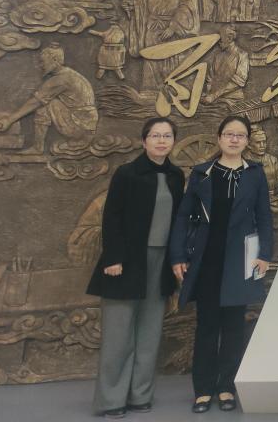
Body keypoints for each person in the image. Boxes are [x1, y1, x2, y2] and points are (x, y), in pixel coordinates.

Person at [169, 115, 273, 414]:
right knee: (206, 325)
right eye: (229, 134)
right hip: (206, 260)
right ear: (219, 138)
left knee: (233, 326)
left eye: (240, 135)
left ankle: (227, 387)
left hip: (240, 260)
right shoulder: (202, 173)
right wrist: (178, 256)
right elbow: (183, 216)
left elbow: (264, 216)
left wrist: (264, 254)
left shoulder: (255, 173)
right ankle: (203, 390)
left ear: (247, 141)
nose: (234, 139)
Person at [87, 117, 184, 418]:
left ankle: (140, 395)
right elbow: (112, 217)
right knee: (118, 334)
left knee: (150, 332)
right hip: (127, 261)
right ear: (144, 141)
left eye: (167, 136)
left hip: (161, 262)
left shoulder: (176, 176)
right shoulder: (126, 173)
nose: (161, 141)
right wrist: (113, 258)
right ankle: (112, 400)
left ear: (173, 141)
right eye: (155, 135)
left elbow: (179, 221)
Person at [0, 42, 98, 154]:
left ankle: (37, 148)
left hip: (80, 127)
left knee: (44, 105)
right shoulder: (71, 74)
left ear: (54, 60)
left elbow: (34, 102)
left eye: (42, 61)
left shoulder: (60, 80)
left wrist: (9, 120)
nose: (41, 65)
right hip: (86, 126)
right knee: (46, 102)